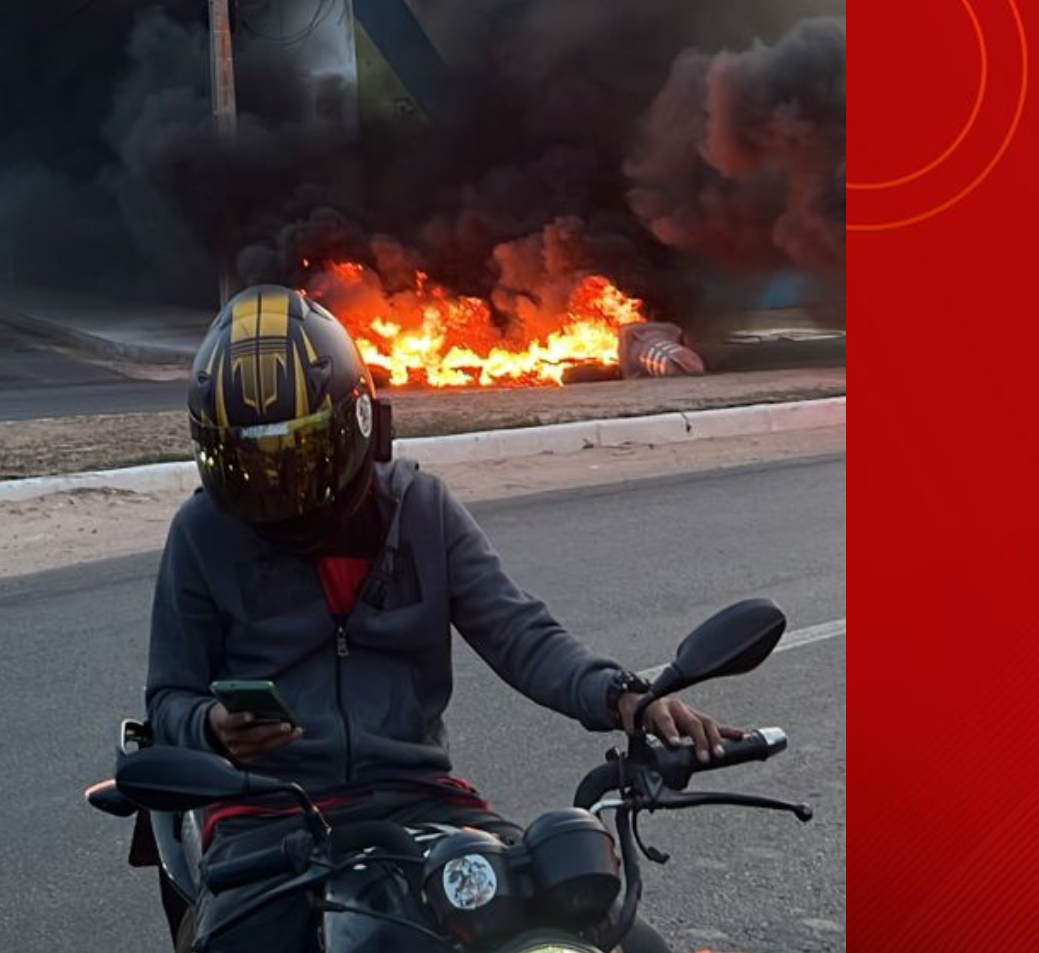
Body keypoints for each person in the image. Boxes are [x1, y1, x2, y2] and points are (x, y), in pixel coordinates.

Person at [144, 285, 739, 953]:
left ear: (356, 422)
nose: (280, 488)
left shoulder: (421, 510)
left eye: (300, 458)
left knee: (621, 938)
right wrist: (213, 727)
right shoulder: (202, 533)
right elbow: (168, 699)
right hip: (267, 815)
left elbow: (520, 632)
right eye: (251, 467)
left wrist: (625, 696)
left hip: (421, 798)